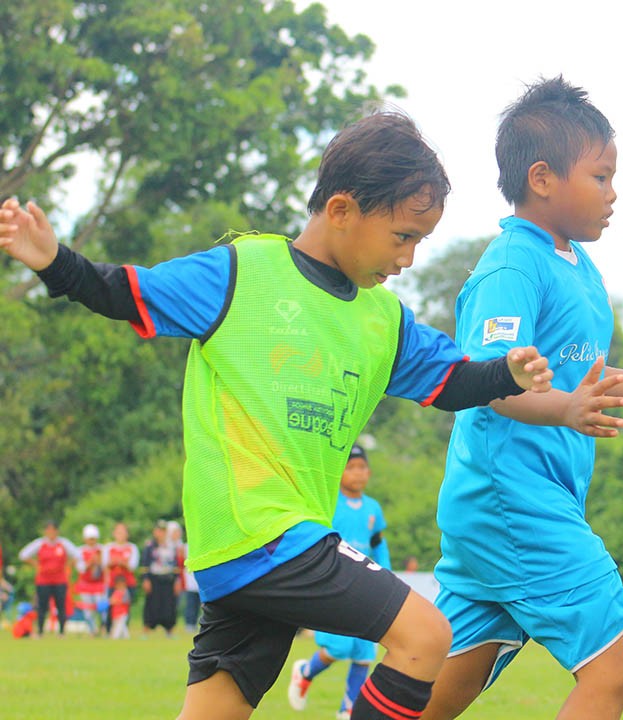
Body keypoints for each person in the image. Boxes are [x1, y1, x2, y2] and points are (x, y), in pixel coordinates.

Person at [0, 110, 552, 720]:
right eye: (402, 237)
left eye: (421, 241)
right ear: (341, 210)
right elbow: (126, 290)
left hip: (266, 550)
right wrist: (55, 263)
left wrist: (505, 373)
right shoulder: (241, 274)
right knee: (425, 637)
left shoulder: (383, 319)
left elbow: (449, 380)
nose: (411, 259)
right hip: (259, 531)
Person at [422, 77, 623, 720]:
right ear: (543, 178)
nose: (614, 192)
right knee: (614, 672)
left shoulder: (575, 265)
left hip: (518, 503)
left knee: (441, 685)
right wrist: (566, 410)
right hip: (514, 500)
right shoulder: (513, 267)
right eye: (601, 176)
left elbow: (580, 378)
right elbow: (491, 386)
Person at [288, 444, 391, 719]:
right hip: (334, 582)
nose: (357, 473)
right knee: (338, 646)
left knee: (364, 652)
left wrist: (387, 572)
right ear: (340, 471)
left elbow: (377, 543)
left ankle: (347, 710)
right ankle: (305, 671)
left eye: (362, 467)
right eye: (351, 467)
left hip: (366, 583)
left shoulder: (373, 508)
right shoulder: (329, 502)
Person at [18, 520, 78, 637]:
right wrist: (36, 564)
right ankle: (40, 631)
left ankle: (61, 632)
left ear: (57, 531)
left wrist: (68, 566)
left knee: (61, 605)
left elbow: (77, 555)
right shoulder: (40, 544)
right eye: (48, 530)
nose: (51, 533)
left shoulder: (63, 544)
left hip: (60, 579)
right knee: (42, 606)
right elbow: (23, 555)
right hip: (43, 580)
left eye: (53, 530)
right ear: (45, 531)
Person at [141, 519, 182, 638]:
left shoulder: (172, 546)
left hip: (168, 579)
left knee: (169, 606)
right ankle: (146, 630)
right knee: (151, 605)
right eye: (159, 531)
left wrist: (177, 580)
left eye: (164, 531)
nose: (161, 534)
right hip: (154, 579)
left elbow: (176, 565)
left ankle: (169, 630)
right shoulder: (150, 546)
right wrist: (145, 579)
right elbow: (145, 564)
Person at [101, 521, 140, 636]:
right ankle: (109, 630)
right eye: (118, 532)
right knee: (111, 606)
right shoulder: (108, 548)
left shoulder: (132, 548)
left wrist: (122, 563)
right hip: (113, 583)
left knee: (125, 607)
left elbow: (132, 566)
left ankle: (124, 630)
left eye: (123, 532)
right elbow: (104, 565)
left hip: (127, 583)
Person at [73, 523, 107, 634]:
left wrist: (99, 561)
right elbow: (80, 568)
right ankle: (92, 630)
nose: (91, 541)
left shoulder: (102, 550)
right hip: (85, 584)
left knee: (101, 607)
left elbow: (106, 566)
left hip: (99, 584)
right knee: (88, 610)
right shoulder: (80, 551)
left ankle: (103, 627)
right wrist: (90, 562)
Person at [171, 522, 202, 633]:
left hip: (201, 579)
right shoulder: (185, 547)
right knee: (191, 602)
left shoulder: (202, 545)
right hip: (190, 579)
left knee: (202, 603)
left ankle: (200, 622)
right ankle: (189, 623)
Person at [109, 574, 133, 639]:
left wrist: (116, 601)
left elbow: (126, 601)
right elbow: (111, 600)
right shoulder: (115, 592)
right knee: (122, 626)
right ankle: (126, 637)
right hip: (115, 613)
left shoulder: (125, 592)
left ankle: (114, 637)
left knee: (119, 626)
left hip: (122, 613)